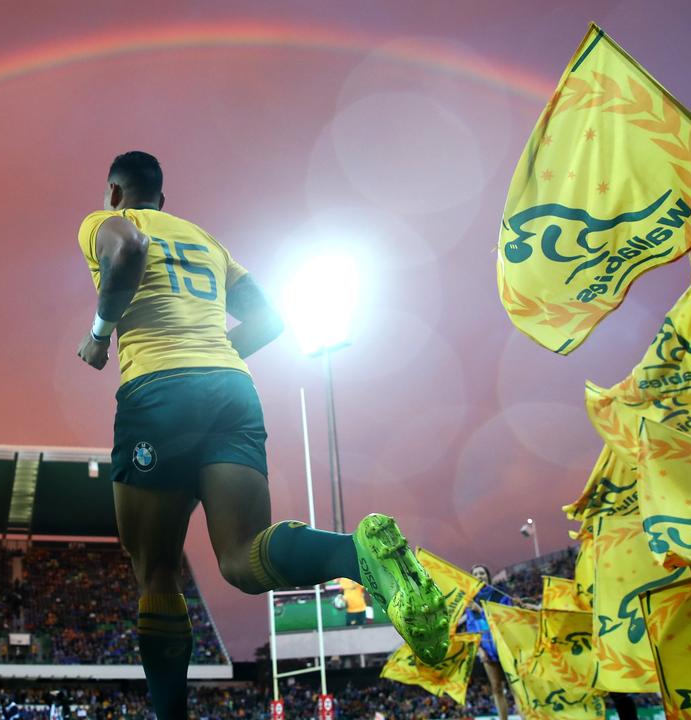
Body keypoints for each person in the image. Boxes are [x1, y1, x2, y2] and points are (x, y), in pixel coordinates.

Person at [75, 151, 448, 719]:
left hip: (156, 392)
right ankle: (360, 555)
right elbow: (271, 321)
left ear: (114, 192)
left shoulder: (106, 223)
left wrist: (100, 335)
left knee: (154, 570)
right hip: (232, 389)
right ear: (164, 199)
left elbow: (125, 249)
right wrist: (215, 359)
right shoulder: (207, 241)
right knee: (243, 560)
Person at [464, 565, 513, 720]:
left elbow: (507, 619)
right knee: (496, 688)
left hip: (505, 646)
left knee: (515, 687)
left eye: (482, 573)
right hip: (487, 648)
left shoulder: (500, 596)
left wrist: (482, 610)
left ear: (488, 576)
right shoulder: (470, 601)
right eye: (476, 574)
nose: (479, 575)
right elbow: (472, 628)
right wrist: (480, 650)